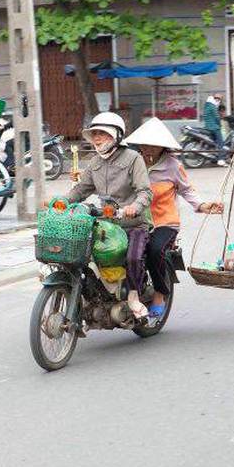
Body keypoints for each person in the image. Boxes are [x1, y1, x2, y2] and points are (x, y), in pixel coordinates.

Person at [125, 117, 223, 318]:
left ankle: (160, 294)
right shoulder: (133, 161)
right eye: (145, 143)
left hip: (164, 222)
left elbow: (187, 191)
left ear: (162, 146)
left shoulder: (172, 165)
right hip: (135, 220)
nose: (148, 148)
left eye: (154, 145)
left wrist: (203, 206)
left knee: (154, 250)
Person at [68, 112, 152, 318]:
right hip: (106, 225)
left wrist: (134, 207)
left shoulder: (134, 158)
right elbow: (80, 190)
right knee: (81, 255)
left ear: (116, 135)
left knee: (133, 258)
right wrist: (61, 202)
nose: (96, 138)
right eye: (94, 133)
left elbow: (145, 191)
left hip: (132, 223)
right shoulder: (94, 163)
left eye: (102, 133)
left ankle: (133, 295)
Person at [203, 93, 228, 167]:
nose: (219, 100)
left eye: (219, 99)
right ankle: (221, 160)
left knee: (214, 142)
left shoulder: (207, 105)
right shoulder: (212, 106)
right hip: (214, 127)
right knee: (221, 143)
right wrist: (219, 124)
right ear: (215, 99)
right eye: (218, 99)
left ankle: (213, 157)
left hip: (208, 127)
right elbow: (217, 117)